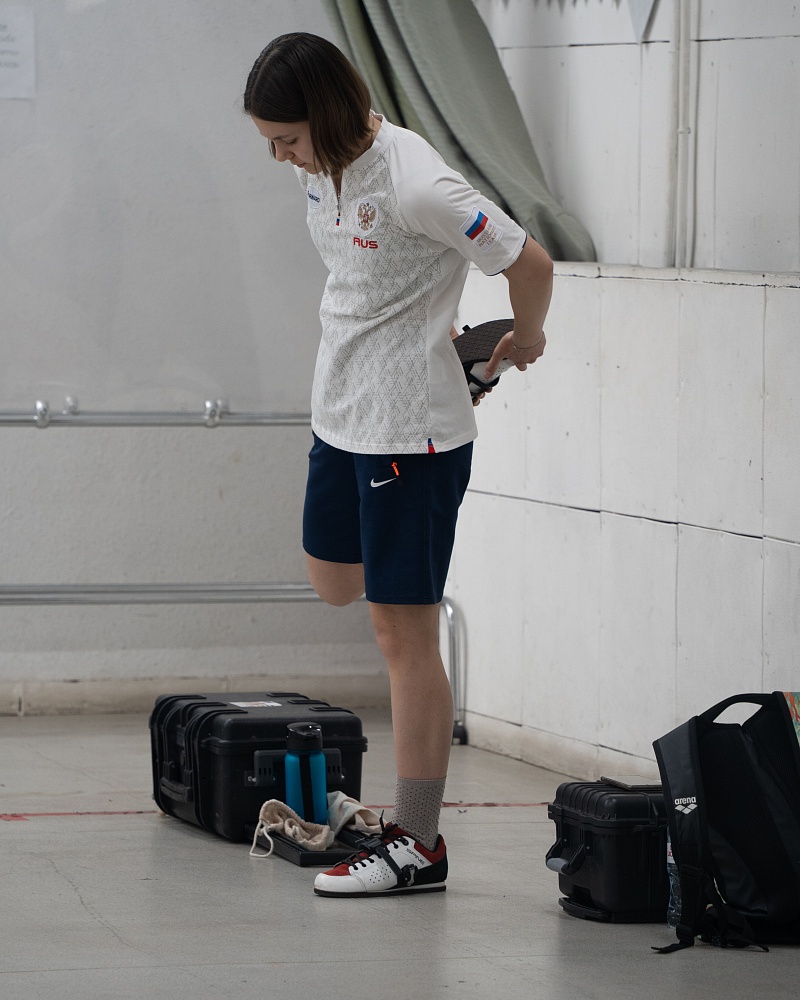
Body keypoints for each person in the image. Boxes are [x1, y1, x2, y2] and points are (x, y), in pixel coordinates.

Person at [243, 32, 552, 897]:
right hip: (341, 412)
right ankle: (462, 364)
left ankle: (417, 843)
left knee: (401, 633)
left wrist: (525, 337)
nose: (279, 157)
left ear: (326, 115)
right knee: (333, 583)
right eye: (270, 141)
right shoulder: (320, 165)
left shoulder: (419, 183)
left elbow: (529, 261)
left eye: (287, 139)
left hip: (410, 436)